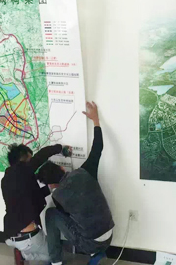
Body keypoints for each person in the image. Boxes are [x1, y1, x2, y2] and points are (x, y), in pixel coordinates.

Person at [38, 102, 114, 265]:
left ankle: (56, 261)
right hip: (109, 235)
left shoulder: (58, 196)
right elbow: (98, 147)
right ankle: (96, 253)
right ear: (61, 168)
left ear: (51, 185)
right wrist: (95, 120)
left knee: (51, 214)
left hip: (89, 243)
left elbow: (67, 218)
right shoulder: (86, 171)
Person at [2, 140, 72, 265]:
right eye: (30, 159)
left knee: (48, 247)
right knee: (58, 255)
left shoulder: (6, 180)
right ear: (24, 159)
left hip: (9, 234)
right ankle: (23, 254)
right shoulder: (23, 170)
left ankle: (22, 251)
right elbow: (42, 154)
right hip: (28, 237)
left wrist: (50, 188)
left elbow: (30, 198)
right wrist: (60, 148)